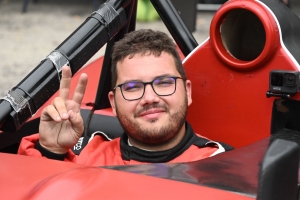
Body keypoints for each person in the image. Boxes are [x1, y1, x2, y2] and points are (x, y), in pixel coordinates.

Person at [18, 29, 233, 166]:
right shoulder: (85, 156)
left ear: (187, 92)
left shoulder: (223, 164)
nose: (149, 97)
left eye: (164, 83)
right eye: (132, 87)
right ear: (113, 102)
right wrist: (51, 152)